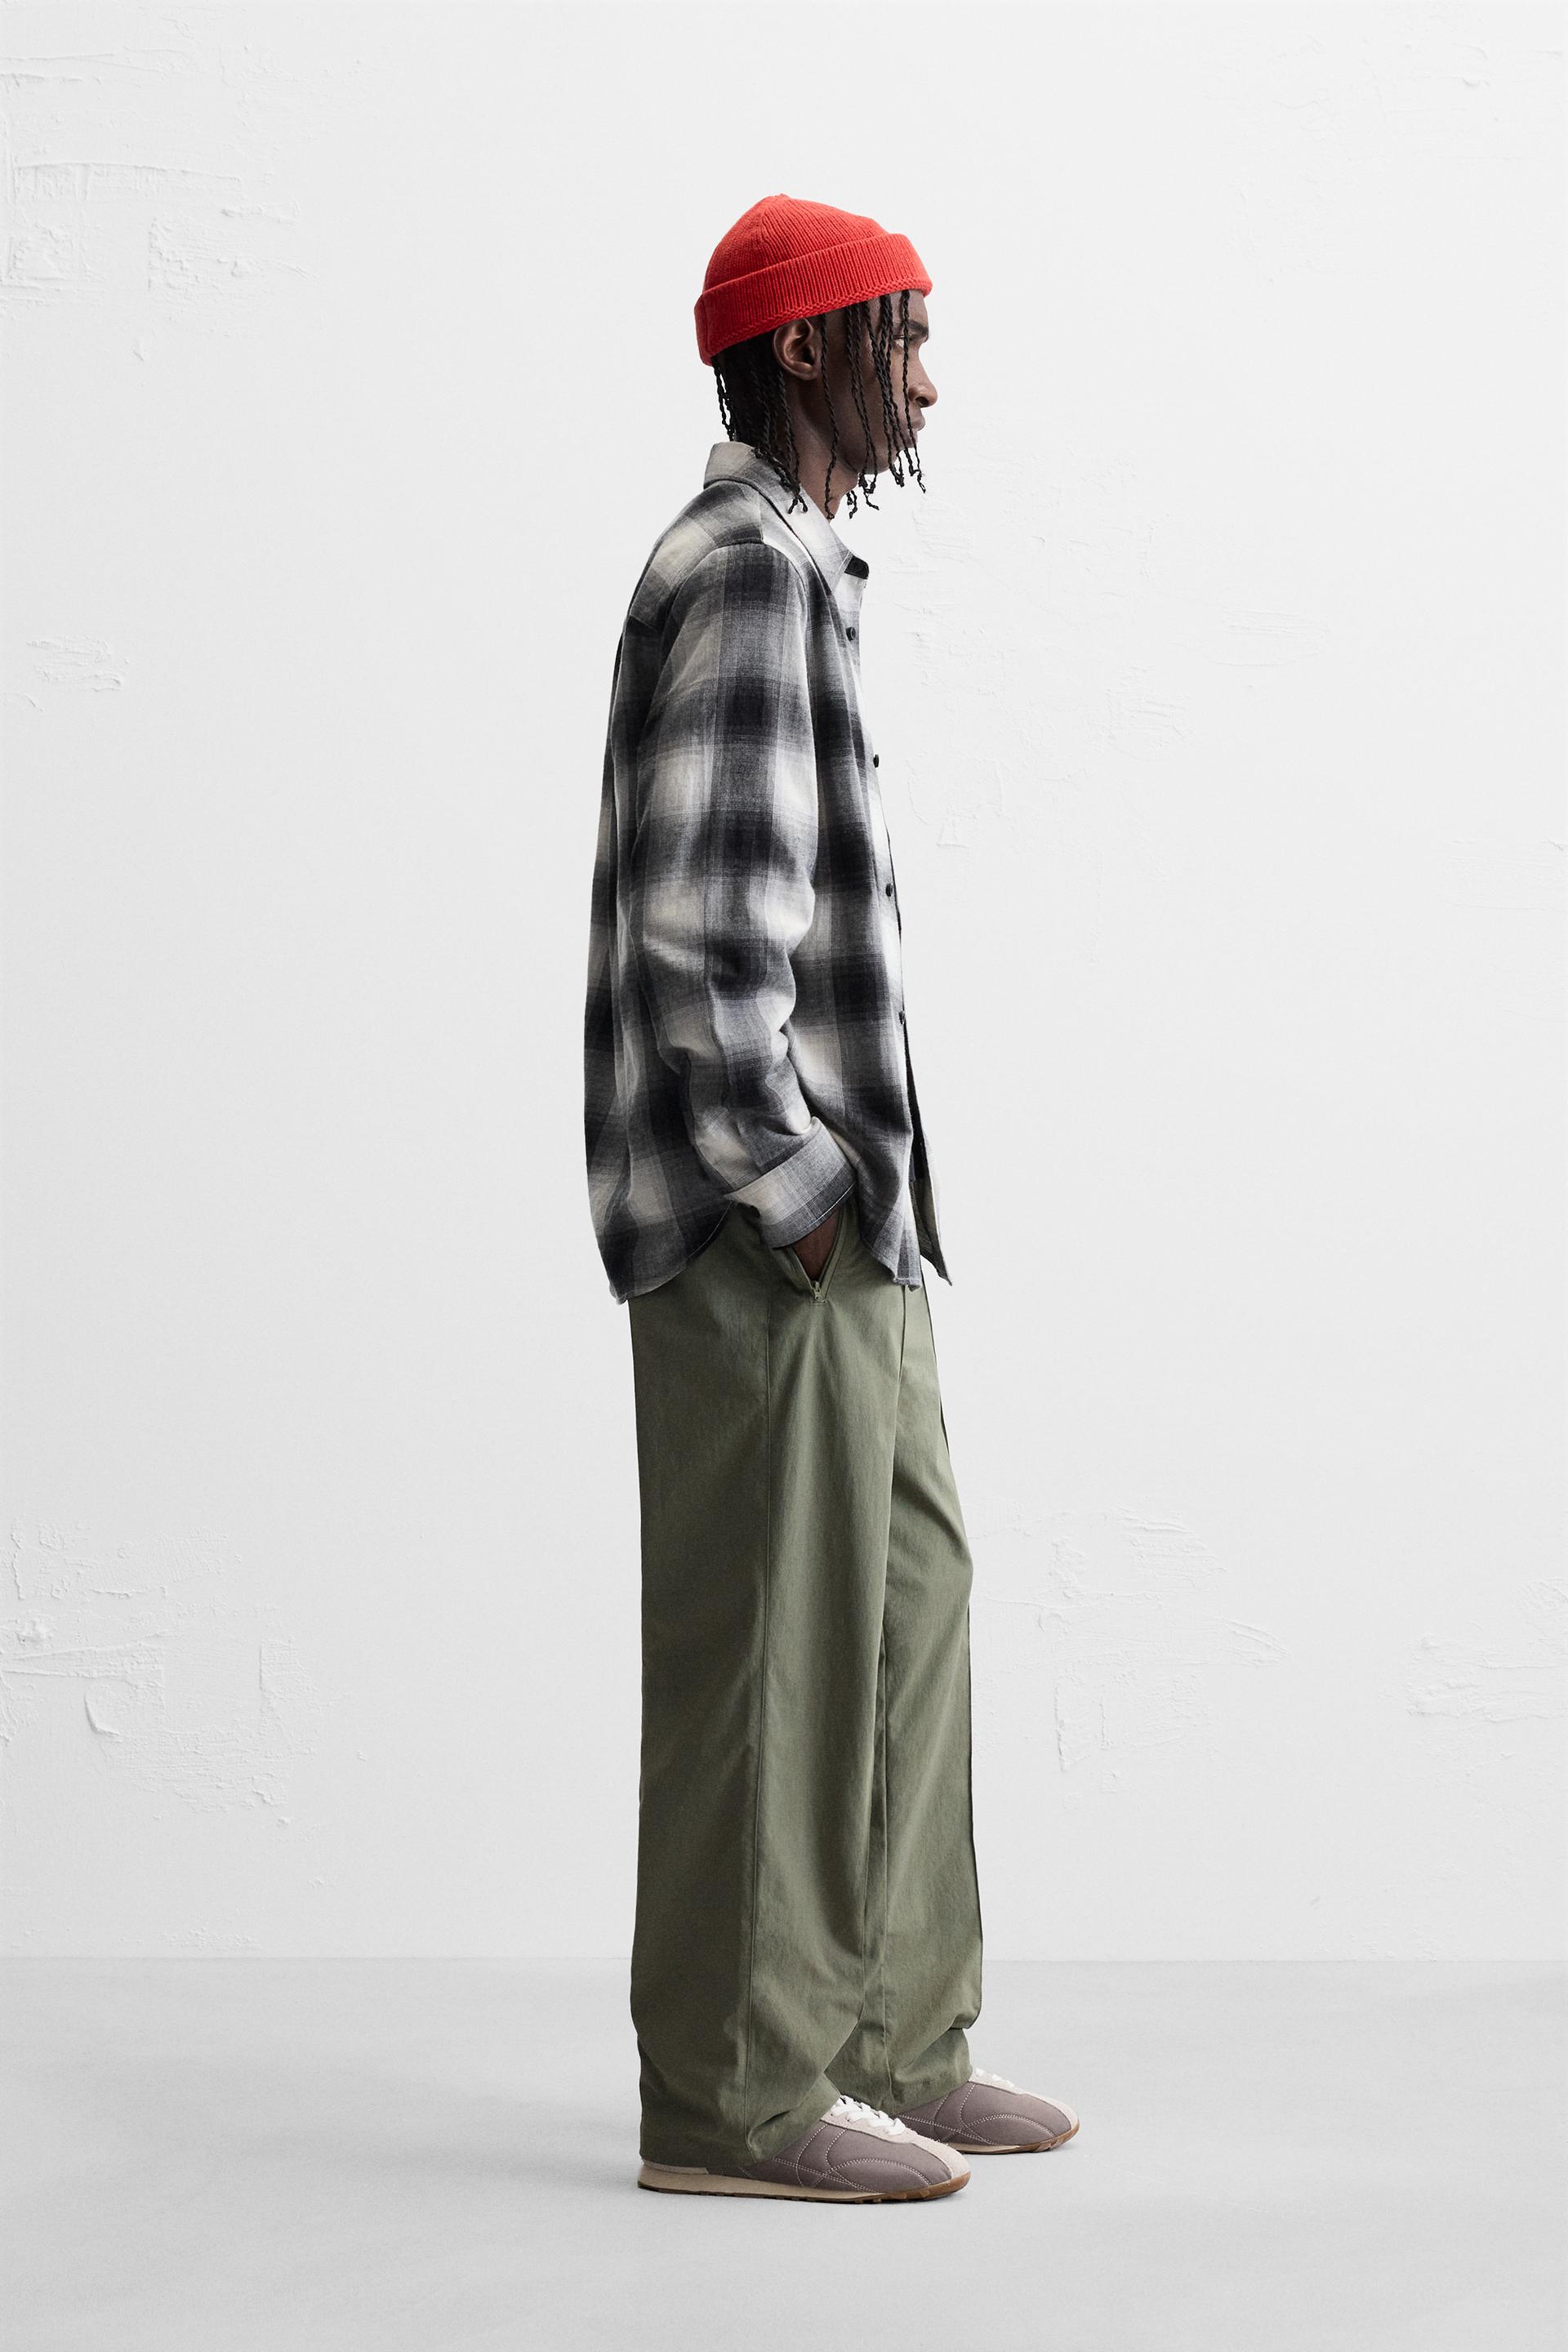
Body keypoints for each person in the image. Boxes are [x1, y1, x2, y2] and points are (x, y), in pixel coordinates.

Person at [581, 193, 1079, 2204]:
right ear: (805, 349)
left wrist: (851, 1198)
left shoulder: (800, 567)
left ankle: (892, 2037)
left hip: (852, 1215)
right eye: (903, 338)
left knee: (909, 1600)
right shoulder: (741, 574)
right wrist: (790, 1186)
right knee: (773, 1655)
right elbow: (706, 940)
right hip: (761, 1223)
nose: (928, 383)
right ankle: (730, 2099)